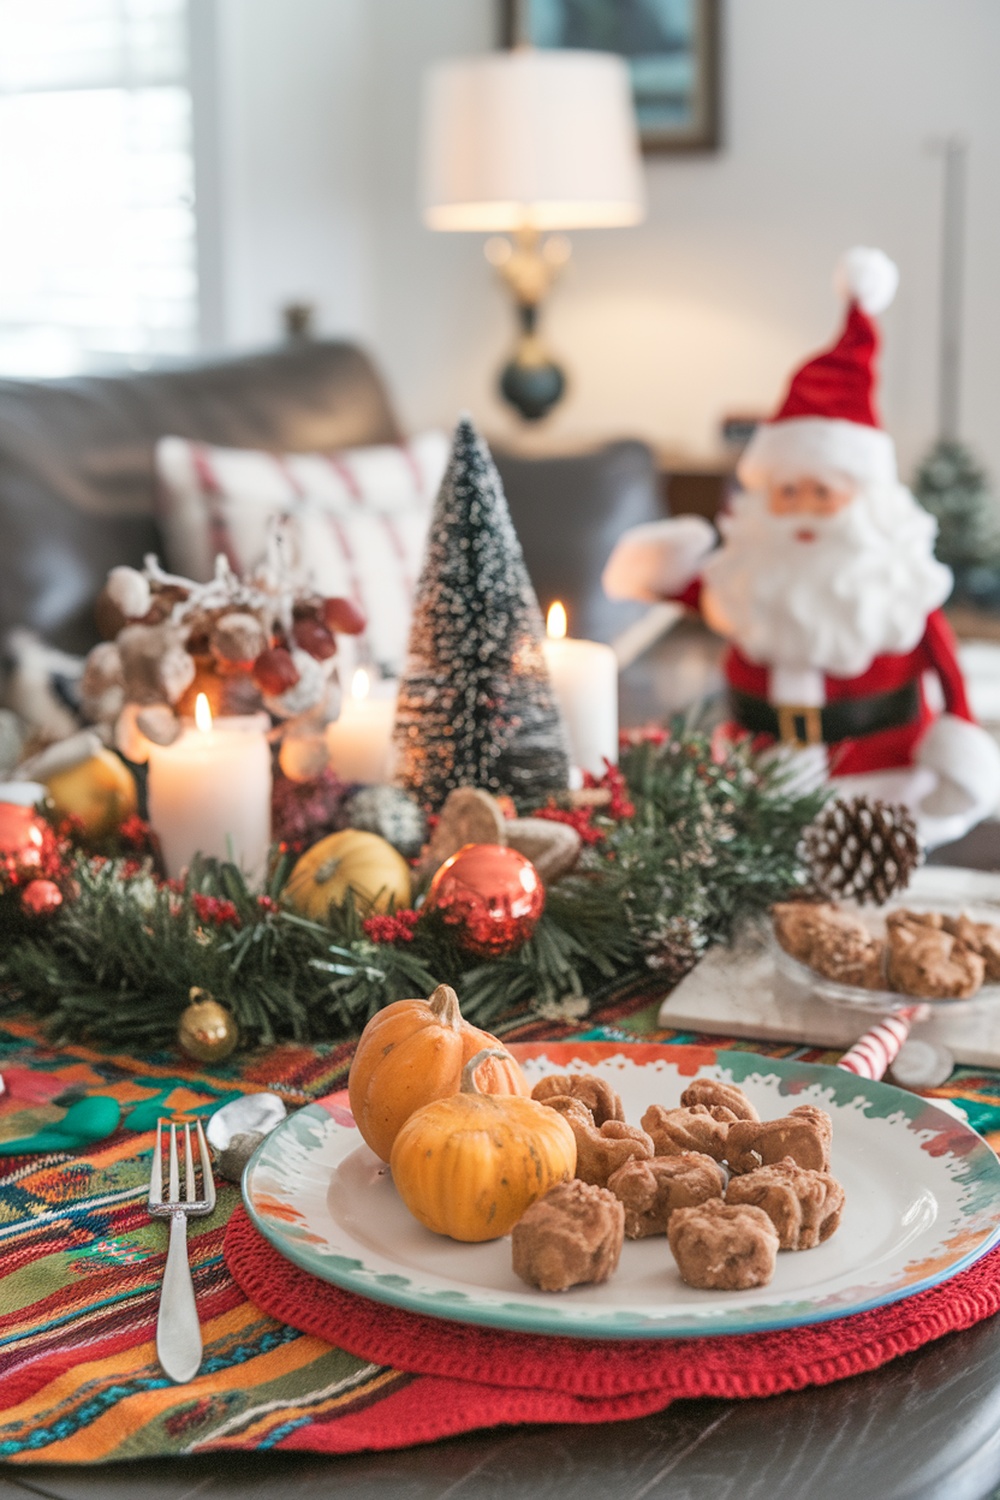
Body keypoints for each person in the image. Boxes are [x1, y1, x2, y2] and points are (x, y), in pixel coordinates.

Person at [603, 247, 1000, 845]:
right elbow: (706, 590)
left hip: (881, 784)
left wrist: (962, 744)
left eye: (824, 491)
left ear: (865, 498)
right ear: (765, 493)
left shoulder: (897, 585)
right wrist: (659, 570)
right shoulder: (752, 571)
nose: (805, 508)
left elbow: (949, 674)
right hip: (756, 783)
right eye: (788, 491)